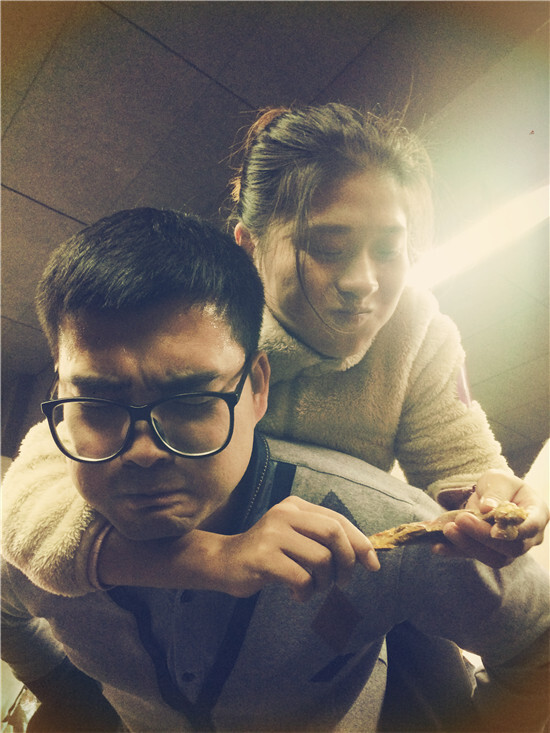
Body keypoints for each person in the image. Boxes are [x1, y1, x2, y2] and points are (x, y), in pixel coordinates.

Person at [2, 208, 549, 733]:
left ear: (258, 387)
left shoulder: (374, 528)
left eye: (191, 400)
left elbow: (537, 638)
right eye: (96, 403)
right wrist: (66, 696)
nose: (143, 452)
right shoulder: (35, 543)